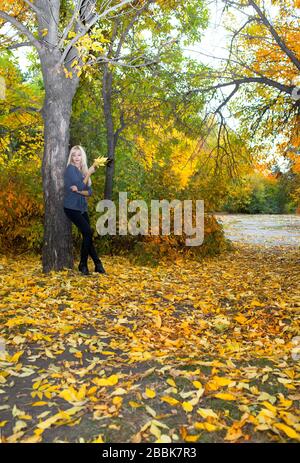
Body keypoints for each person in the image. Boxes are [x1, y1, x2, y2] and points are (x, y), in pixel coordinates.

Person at [63, 145, 106, 275]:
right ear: (71, 157)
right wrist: (88, 174)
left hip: (82, 207)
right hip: (71, 207)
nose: (76, 158)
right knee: (88, 232)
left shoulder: (82, 170)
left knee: (88, 235)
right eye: (74, 155)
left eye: (79, 155)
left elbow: (89, 192)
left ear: (82, 156)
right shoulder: (70, 169)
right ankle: (83, 264)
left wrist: (80, 190)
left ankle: (98, 264)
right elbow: (83, 186)